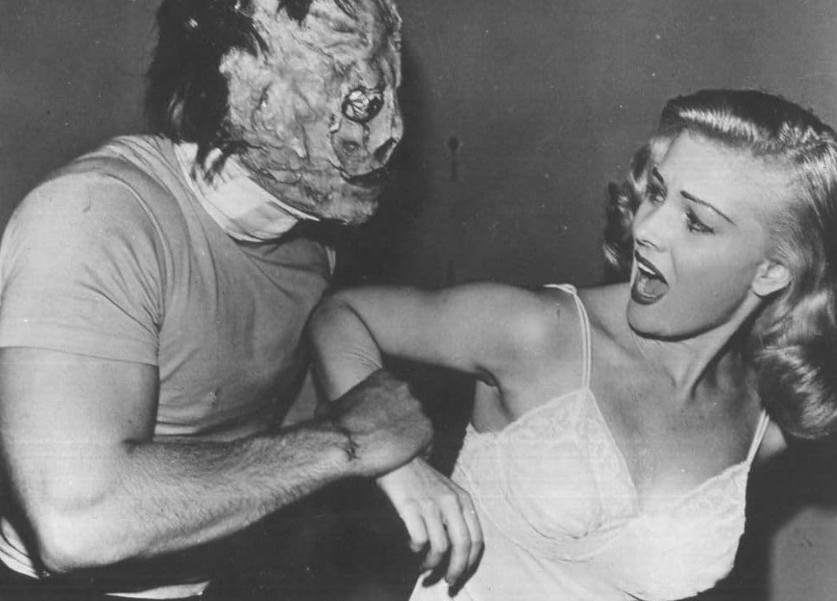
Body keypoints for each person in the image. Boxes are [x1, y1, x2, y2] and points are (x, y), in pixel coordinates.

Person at [308, 89, 837, 600]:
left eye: (696, 222)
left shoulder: (764, 426)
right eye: (657, 191)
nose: (647, 227)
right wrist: (394, 461)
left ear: (771, 272)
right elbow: (342, 315)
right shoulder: (538, 331)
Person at [0, 0, 478, 598]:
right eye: (356, 101)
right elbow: (73, 522)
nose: (391, 134)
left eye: (388, 89)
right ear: (237, 86)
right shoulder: (94, 215)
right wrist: (351, 443)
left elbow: (271, 405)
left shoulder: (313, 241)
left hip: (212, 575)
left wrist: (392, 458)